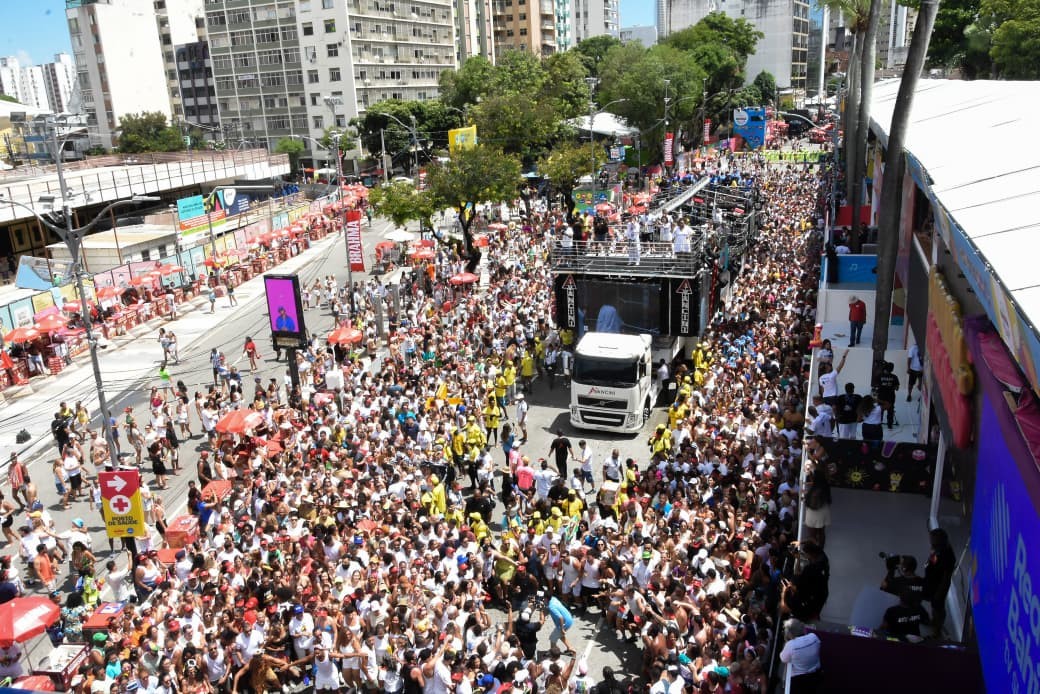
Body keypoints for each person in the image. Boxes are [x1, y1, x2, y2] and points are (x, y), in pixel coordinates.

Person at [923, 527, 956, 637]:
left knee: (938, 607)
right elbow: (933, 561)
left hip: (939, 588)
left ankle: (937, 631)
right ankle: (934, 621)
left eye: (932, 540)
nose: (930, 543)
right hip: (932, 583)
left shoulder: (948, 557)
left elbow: (946, 579)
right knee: (934, 606)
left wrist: (938, 593)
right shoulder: (938, 549)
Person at [779, 619, 822, 694]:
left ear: (790, 633)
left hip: (800, 680)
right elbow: (819, 645)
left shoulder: (791, 645)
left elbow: (783, 658)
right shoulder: (813, 637)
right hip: (816, 675)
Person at [877, 361, 900, 428]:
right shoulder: (894, 377)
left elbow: (876, 385)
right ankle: (890, 425)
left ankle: (878, 424)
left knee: (880, 411)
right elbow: (897, 388)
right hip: (890, 397)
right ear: (892, 369)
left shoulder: (879, 376)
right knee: (890, 411)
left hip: (881, 397)